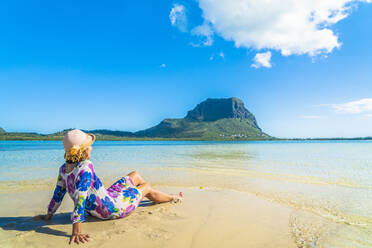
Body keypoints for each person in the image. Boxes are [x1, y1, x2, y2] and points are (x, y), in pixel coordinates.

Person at [35, 129, 183, 245]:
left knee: (135, 175)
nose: (91, 148)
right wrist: (76, 230)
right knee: (147, 186)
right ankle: (172, 197)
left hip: (105, 198)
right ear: (82, 151)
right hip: (111, 209)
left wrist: (49, 214)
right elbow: (80, 197)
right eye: (89, 146)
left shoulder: (63, 169)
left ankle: (140, 197)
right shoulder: (86, 168)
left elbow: (58, 194)